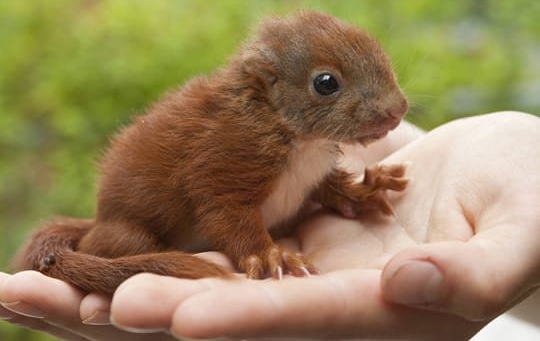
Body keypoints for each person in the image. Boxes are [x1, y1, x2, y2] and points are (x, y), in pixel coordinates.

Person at [1, 111, 539, 340]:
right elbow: (223, 202)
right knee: (128, 258)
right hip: (139, 226)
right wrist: (258, 249)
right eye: (328, 86)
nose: (392, 111)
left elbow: (310, 178)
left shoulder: (307, 144)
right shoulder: (246, 139)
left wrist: (354, 190)